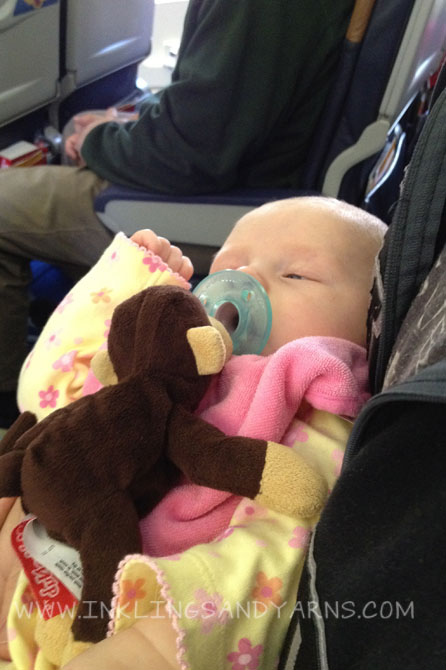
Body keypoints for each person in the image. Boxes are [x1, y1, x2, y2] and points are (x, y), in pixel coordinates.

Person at [0, 197, 386, 669]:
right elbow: (56, 392)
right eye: (226, 266)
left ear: (374, 322)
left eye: (296, 275)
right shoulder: (178, 365)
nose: (243, 282)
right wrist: (133, 281)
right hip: (39, 536)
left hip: (118, 622)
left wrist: (150, 645)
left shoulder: (315, 405)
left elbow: (269, 557)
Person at [0, 0, 356, 426]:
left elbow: (190, 153)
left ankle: (15, 415)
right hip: (232, 166)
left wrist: (99, 140)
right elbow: (214, 102)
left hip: (216, 193)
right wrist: (130, 119)